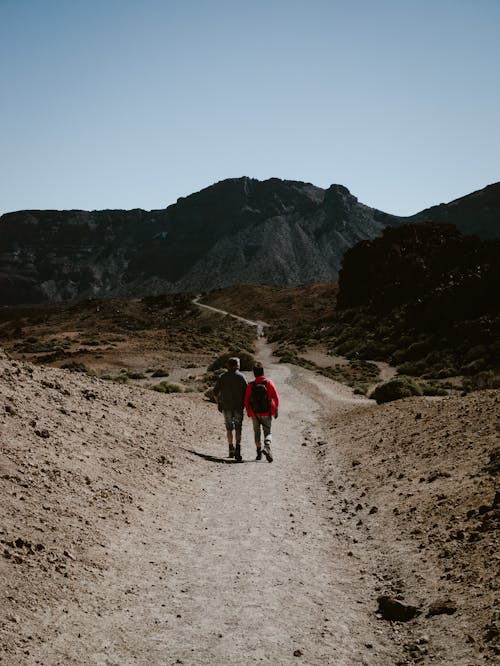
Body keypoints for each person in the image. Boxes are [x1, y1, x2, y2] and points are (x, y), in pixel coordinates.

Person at [213, 357, 247, 461]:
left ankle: (230, 448)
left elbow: (215, 393)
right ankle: (238, 449)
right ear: (237, 365)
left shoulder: (222, 377)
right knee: (238, 428)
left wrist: (218, 403)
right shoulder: (242, 377)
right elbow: (247, 392)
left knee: (229, 428)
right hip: (238, 407)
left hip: (226, 406)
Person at [244, 361, 279, 463]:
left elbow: (246, 400)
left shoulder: (251, 385)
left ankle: (258, 453)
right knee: (268, 431)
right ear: (263, 372)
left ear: (254, 373)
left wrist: (248, 411)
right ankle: (267, 445)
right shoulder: (269, 383)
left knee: (257, 432)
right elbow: (276, 398)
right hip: (267, 412)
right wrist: (276, 410)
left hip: (255, 413)